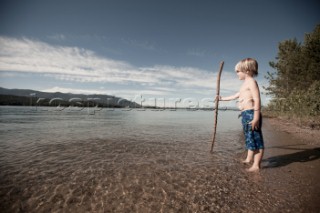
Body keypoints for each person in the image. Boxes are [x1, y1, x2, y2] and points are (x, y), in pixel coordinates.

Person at [218, 58, 264, 172]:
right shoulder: (244, 85)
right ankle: (249, 159)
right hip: (245, 114)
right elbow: (236, 96)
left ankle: (256, 165)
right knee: (249, 138)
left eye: (238, 71)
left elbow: (257, 100)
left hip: (252, 114)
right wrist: (221, 99)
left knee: (256, 139)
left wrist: (256, 117)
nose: (236, 74)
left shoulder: (252, 82)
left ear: (247, 70)